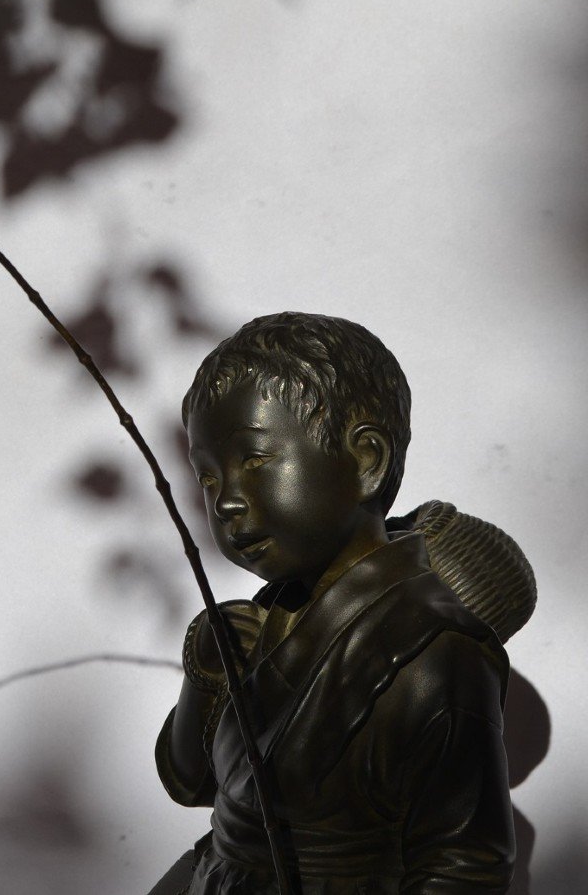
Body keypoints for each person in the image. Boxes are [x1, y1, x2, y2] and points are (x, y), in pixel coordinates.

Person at [153, 312, 515, 894]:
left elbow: (464, 865)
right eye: (209, 477)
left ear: (365, 460)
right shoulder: (266, 617)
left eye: (254, 460)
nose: (225, 503)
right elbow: (190, 784)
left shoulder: (438, 656)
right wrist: (205, 677)